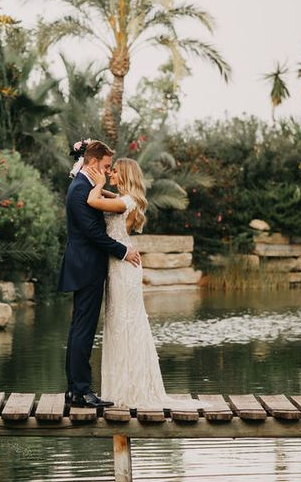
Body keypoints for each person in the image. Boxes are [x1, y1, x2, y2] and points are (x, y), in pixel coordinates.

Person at [83, 158, 208, 410]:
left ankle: (132, 387)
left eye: (115, 171)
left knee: (126, 323)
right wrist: (104, 186)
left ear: (126, 174)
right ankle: (124, 385)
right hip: (120, 265)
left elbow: (92, 201)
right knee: (120, 323)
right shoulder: (128, 199)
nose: (111, 173)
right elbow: (109, 199)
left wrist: (97, 183)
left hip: (123, 268)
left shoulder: (125, 202)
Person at [58, 139, 141, 408]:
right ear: (92, 162)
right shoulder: (81, 188)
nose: (107, 171)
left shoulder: (83, 186)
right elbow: (93, 233)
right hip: (87, 266)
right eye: (106, 166)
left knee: (78, 329)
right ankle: (81, 392)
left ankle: (75, 390)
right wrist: (123, 251)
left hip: (85, 265)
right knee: (82, 330)